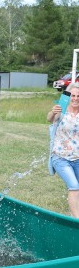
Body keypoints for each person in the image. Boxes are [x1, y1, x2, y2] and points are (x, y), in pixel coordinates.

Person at [47, 82, 79, 218]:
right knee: (74, 186)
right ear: (69, 96)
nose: (76, 98)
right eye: (73, 95)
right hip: (60, 157)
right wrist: (53, 112)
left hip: (77, 158)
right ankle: (77, 220)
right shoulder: (62, 109)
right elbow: (50, 119)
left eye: (78, 96)